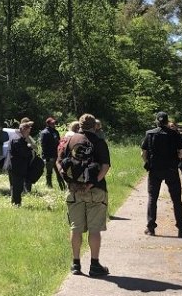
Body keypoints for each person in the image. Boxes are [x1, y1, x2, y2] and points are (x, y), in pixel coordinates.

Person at [58, 113, 111, 277]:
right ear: (94, 125)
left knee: (76, 228)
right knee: (95, 229)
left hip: (74, 190)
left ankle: (76, 264)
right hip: (96, 191)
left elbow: (59, 162)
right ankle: (94, 265)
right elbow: (105, 166)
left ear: (79, 125)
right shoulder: (99, 142)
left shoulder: (68, 140)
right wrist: (92, 183)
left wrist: (69, 181)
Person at [141, 112, 182, 238]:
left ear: (157, 121)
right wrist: (176, 160)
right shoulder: (175, 134)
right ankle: (181, 229)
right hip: (171, 170)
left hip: (155, 170)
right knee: (176, 200)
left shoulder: (150, 134)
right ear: (167, 121)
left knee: (153, 198)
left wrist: (148, 162)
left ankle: (151, 227)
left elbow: (143, 153)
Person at [8, 121, 35, 206]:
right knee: (17, 186)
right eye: (27, 130)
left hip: (20, 167)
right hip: (16, 167)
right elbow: (24, 153)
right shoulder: (17, 140)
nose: (29, 132)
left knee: (17, 186)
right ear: (23, 130)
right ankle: (17, 203)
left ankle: (15, 202)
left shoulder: (23, 140)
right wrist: (30, 148)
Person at [39, 117, 65, 190]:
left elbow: (59, 142)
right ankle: (49, 186)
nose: (54, 124)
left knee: (59, 171)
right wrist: (46, 157)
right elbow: (43, 145)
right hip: (49, 156)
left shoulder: (55, 132)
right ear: (48, 124)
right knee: (49, 172)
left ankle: (62, 186)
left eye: (54, 123)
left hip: (56, 155)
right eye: (52, 123)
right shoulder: (44, 133)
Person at [168, 122, 182, 189]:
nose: (171, 127)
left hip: (180, 155)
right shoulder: (167, 135)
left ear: (176, 127)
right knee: (173, 170)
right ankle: (175, 185)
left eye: (172, 126)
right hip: (171, 155)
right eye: (170, 126)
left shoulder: (180, 135)